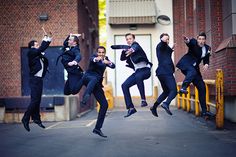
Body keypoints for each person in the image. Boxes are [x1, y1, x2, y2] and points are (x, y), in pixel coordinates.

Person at [176, 32, 213, 118]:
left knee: (202, 87)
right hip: (186, 64)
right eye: (199, 39)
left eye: (203, 39)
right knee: (192, 72)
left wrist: (206, 64)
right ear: (197, 39)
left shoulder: (207, 48)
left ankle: (204, 111)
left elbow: (206, 59)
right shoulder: (193, 42)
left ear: (205, 40)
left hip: (195, 69)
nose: (201, 41)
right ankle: (183, 88)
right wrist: (187, 40)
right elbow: (190, 43)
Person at [21, 32, 52, 132]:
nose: (38, 45)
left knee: (37, 100)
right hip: (34, 79)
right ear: (32, 46)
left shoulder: (37, 53)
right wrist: (45, 39)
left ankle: (36, 119)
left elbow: (43, 51)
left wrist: (48, 38)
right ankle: (25, 118)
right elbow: (41, 49)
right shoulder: (31, 52)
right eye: (37, 44)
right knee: (34, 100)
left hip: (39, 79)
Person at [83, 46, 115, 138]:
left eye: (102, 52)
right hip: (90, 80)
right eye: (99, 52)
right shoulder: (93, 57)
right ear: (97, 52)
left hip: (97, 85)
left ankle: (97, 128)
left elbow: (113, 66)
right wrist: (99, 60)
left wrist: (108, 62)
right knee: (91, 83)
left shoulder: (105, 59)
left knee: (104, 105)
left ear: (104, 53)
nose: (101, 54)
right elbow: (93, 59)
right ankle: (84, 99)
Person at [120, 33, 152, 118]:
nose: (128, 40)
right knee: (124, 85)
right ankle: (131, 108)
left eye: (130, 39)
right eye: (127, 39)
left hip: (145, 70)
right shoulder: (128, 49)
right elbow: (122, 58)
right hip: (137, 72)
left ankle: (143, 100)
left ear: (133, 39)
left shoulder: (136, 45)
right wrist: (124, 51)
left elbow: (135, 47)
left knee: (138, 76)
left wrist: (131, 50)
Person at [150, 33, 177, 117]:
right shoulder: (160, 46)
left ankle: (154, 107)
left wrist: (171, 48)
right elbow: (162, 45)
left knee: (166, 91)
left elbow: (167, 53)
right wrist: (163, 41)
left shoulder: (166, 49)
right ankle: (166, 103)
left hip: (161, 73)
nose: (167, 40)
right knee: (174, 91)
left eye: (168, 39)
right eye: (166, 39)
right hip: (166, 72)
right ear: (161, 39)